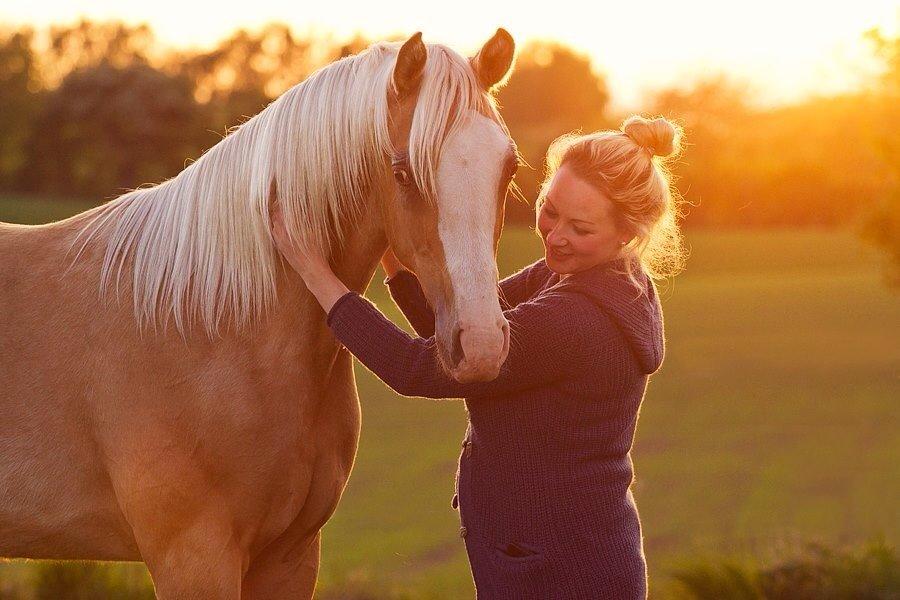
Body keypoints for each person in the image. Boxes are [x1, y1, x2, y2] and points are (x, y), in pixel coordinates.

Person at [271, 115, 685, 599]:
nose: (555, 236)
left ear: (626, 236)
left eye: (580, 227)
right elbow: (458, 336)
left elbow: (416, 368)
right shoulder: (574, 274)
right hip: (543, 553)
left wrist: (314, 270)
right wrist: (392, 246)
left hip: (561, 572)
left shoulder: (579, 320)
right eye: (549, 210)